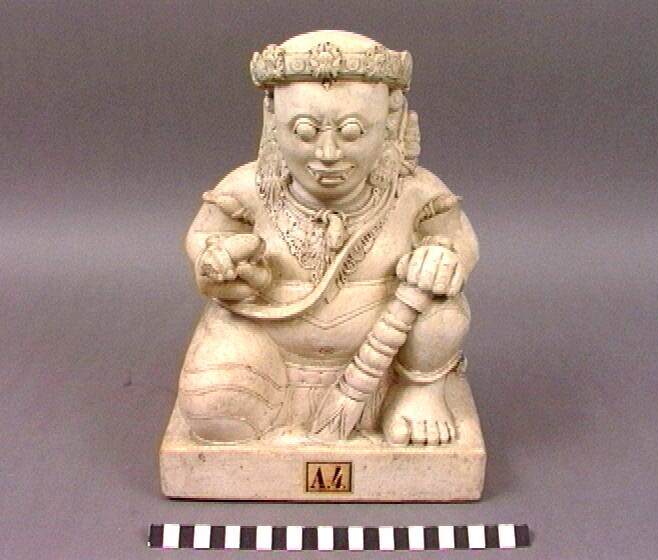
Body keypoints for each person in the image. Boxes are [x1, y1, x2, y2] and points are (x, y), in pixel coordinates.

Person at [177, 30, 478, 447]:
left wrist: (441, 256)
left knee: (441, 306)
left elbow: (459, 240)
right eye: (305, 131)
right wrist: (218, 260)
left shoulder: (414, 191)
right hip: (268, 337)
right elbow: (207, 234)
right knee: (215, 417)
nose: (328, 153)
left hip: (388, 349)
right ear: (272, 122)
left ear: (390, 124)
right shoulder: (247, 188)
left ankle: (418, 390)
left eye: (352, 132)